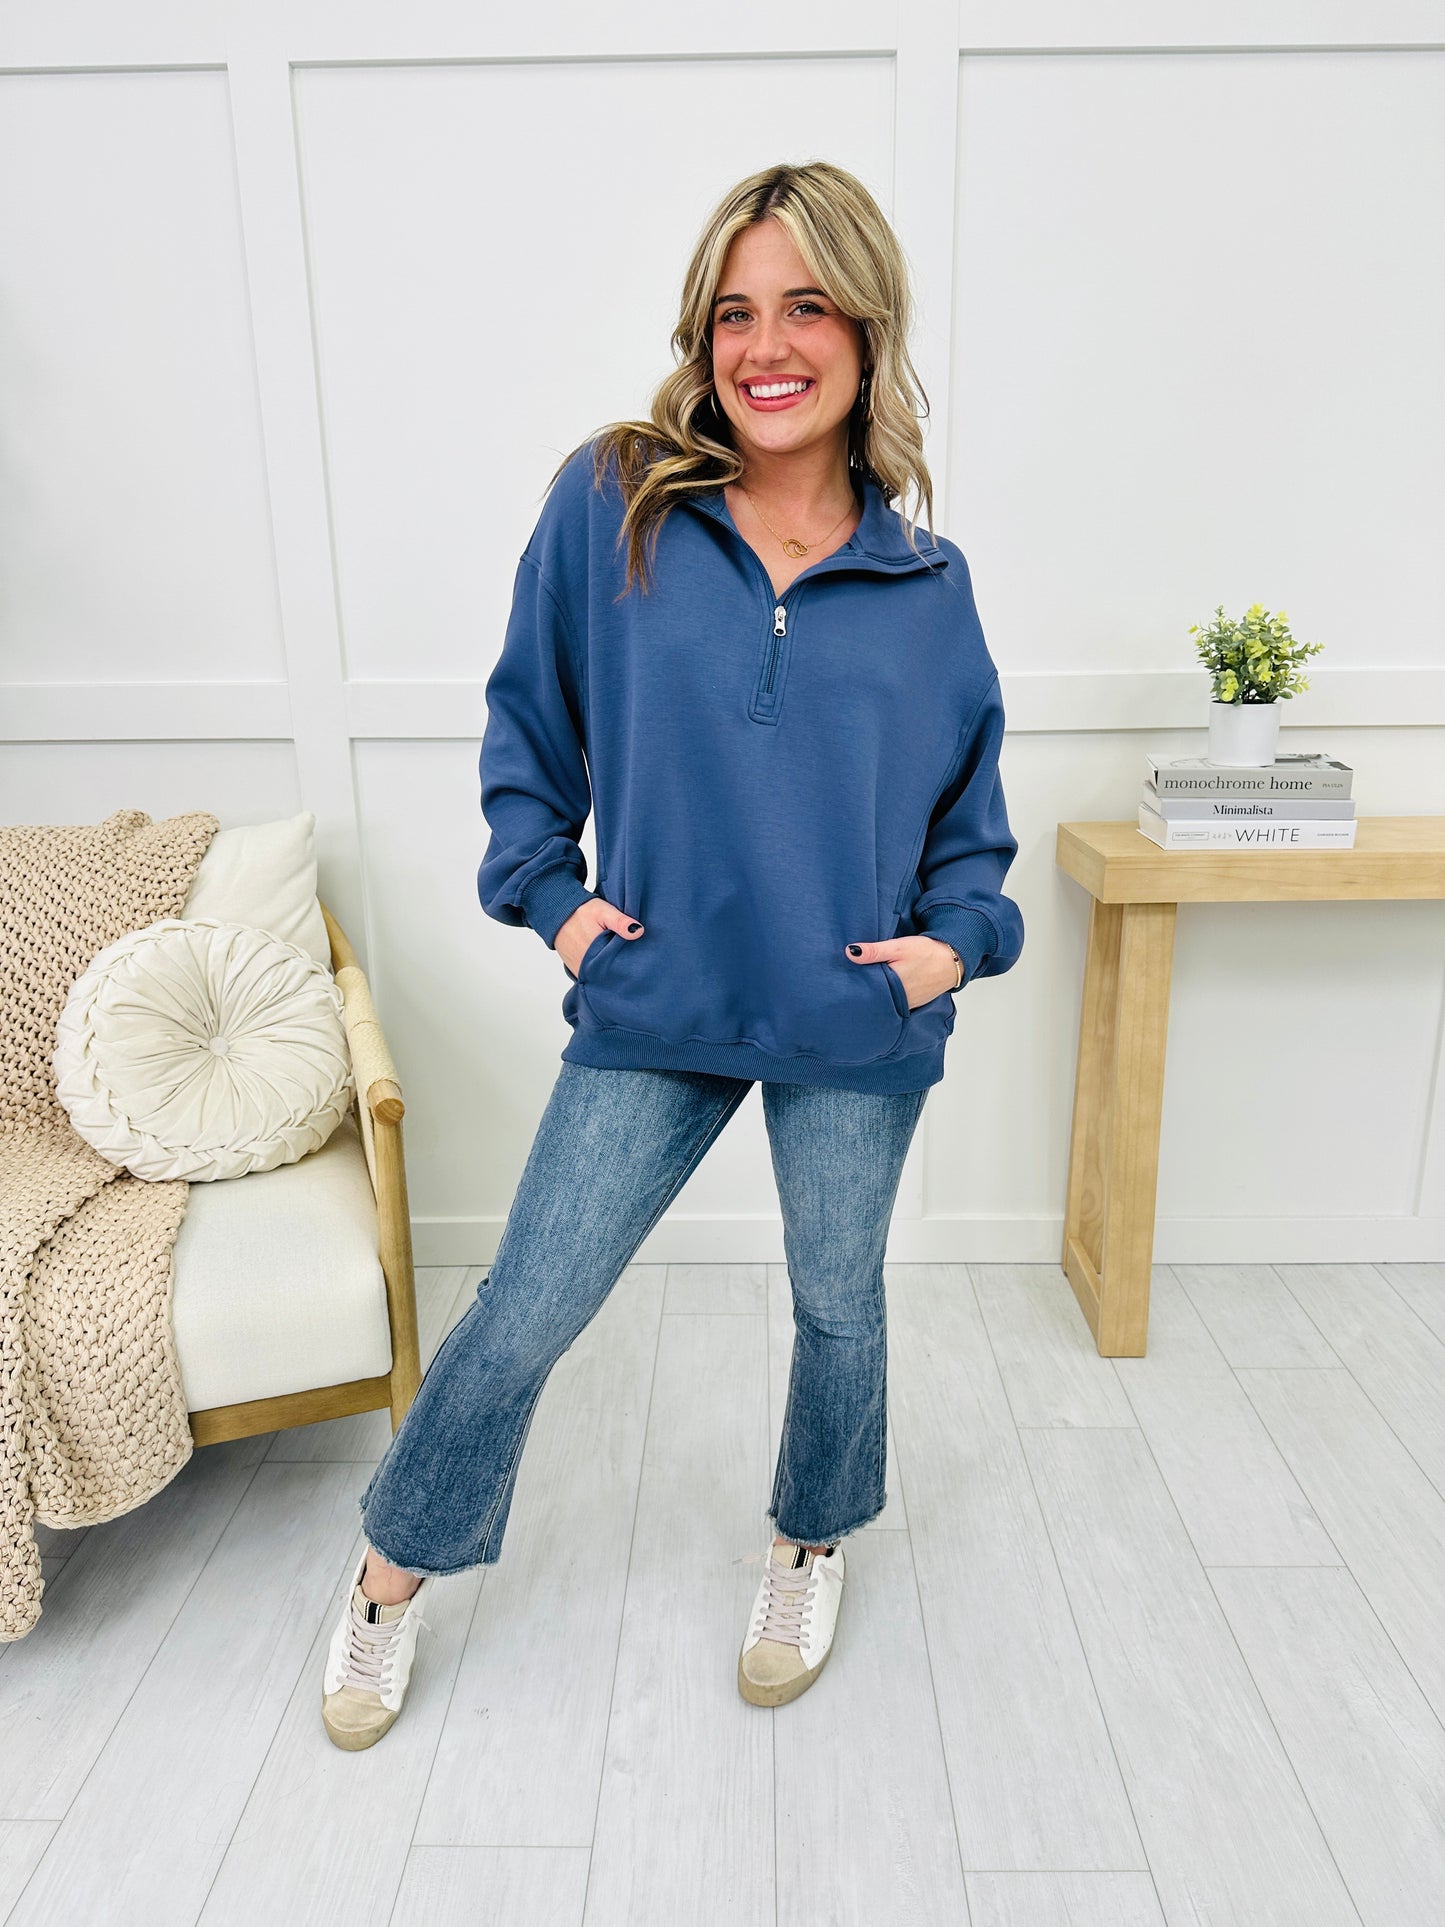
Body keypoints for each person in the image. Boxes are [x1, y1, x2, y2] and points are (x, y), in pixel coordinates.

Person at [321, 159, 1024, 1751]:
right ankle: (385, 1574)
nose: (765, 347)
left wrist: (943, 955)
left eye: (805, 308)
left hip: (852, 1019)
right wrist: (552, 899)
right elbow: (527, 726)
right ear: (702, 337)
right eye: (733, 314)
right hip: (658, 1002)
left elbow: (969, 827)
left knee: (837, 1308)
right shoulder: (616, 502)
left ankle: (808, 1543)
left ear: (866, 329)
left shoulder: (926, 586)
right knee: (525, 1308)